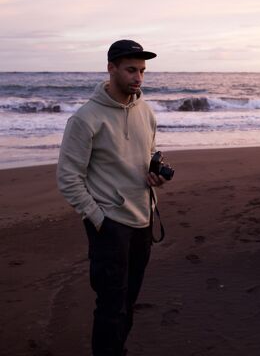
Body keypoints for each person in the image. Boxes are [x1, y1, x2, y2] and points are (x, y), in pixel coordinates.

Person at [56, 39, 166, 356]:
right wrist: (98, 218)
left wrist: (154, 174)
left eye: (143, 71)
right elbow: (68, 177)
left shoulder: (146, 111)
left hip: (143, 219)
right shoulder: (85, 119)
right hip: (110, 225)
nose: (139, 78)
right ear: (111, 68)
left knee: (129, 300)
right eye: (131, 70)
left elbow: (146, 154)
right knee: (110, 306)